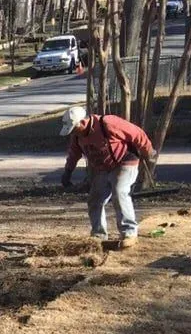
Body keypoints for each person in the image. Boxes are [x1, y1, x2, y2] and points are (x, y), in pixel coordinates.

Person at [60, 105, 157, 249]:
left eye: (74, 128)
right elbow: (74, 153)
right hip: (103, 168)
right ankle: (98, 236)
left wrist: (148, 151)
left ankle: (129, 233)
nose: (73, 132)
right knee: (95, 199)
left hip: (125, 161)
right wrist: (68, 171)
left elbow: (137, 134)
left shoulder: (108, 123)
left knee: (119, 191)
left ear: (83, 122)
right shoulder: (77, 136)